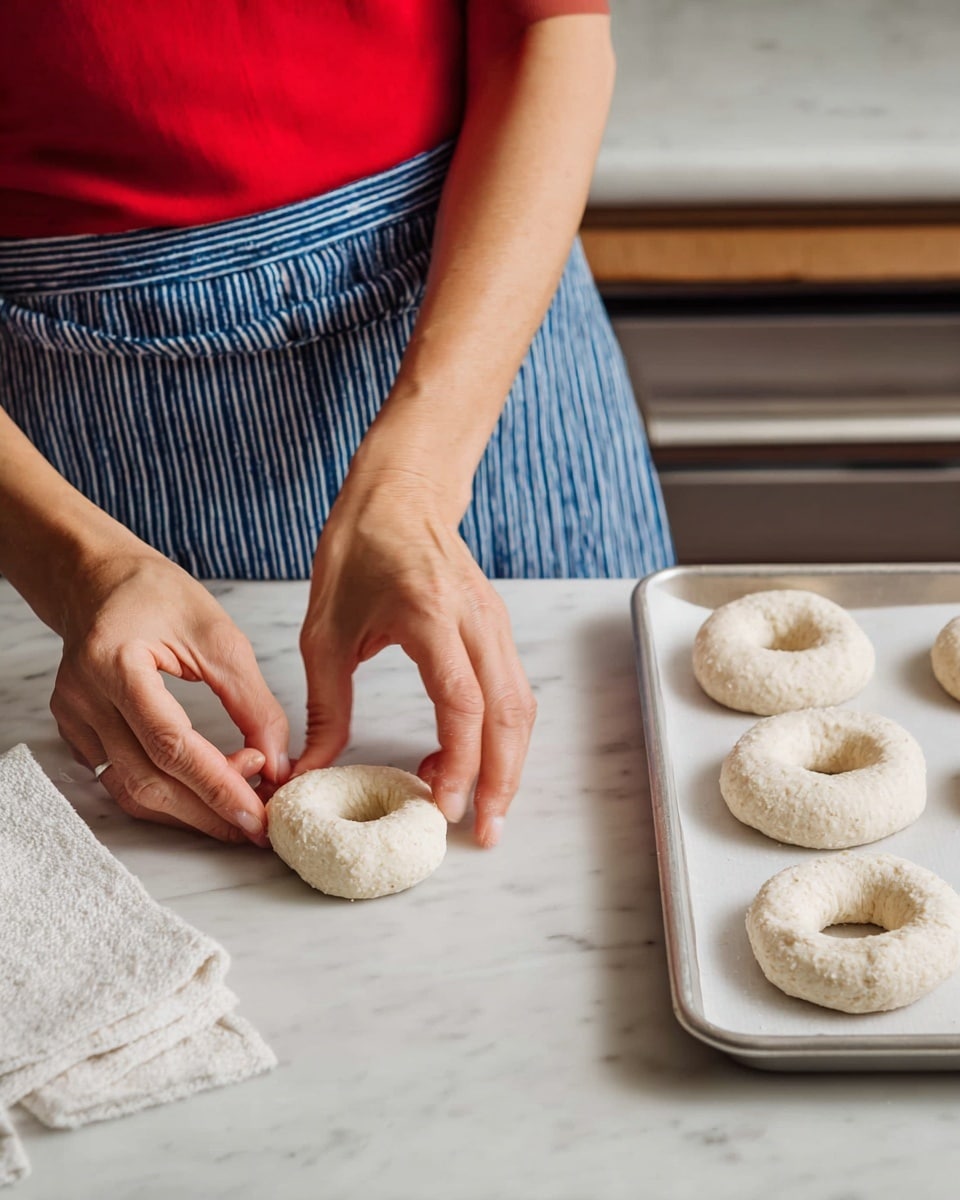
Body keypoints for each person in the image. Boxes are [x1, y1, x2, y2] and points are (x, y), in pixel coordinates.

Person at [0, 1, 674, 852]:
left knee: (611, 831)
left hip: (478, 300)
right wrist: (69, 561)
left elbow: (550, 26)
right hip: (66, 435)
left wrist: (420, 478)